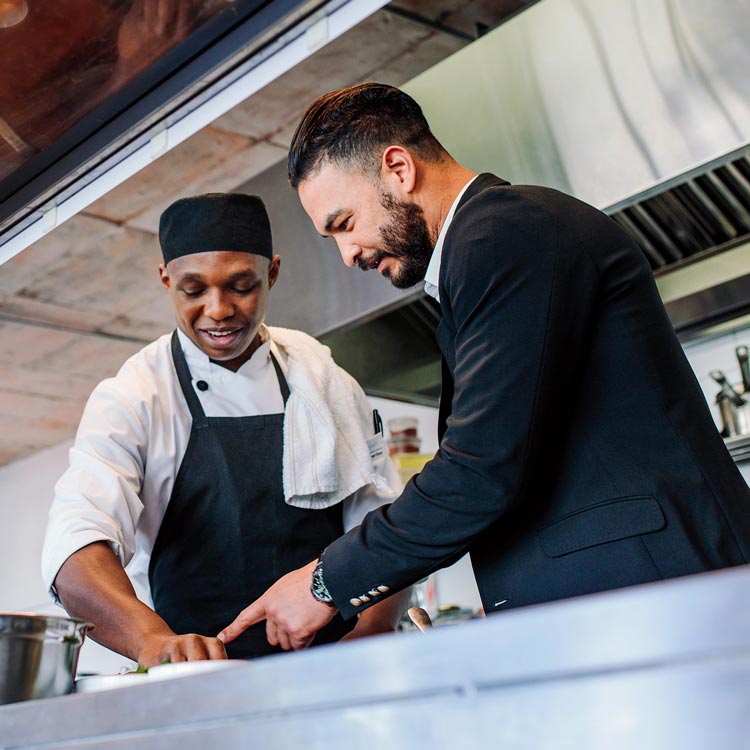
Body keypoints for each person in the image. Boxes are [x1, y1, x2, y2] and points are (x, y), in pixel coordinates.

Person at [218, 83, 750, 652]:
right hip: (624, 611)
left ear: (398, 168)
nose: (347, 255)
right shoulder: (484, 251)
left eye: (344, 223)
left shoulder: (505, 233)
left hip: (657, 604)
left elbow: (481, 468)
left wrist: (324, 582)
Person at [43, 192, 406, 665]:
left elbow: (382, 523)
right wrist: (150, 641)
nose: (218, 310)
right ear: (165, 279)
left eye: (241, 285)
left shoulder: (322, 377)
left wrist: (375, 628)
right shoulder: (135, 396)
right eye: (193, 290)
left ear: (272, 273)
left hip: (337, 665)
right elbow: (75, 547)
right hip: (202, 676)